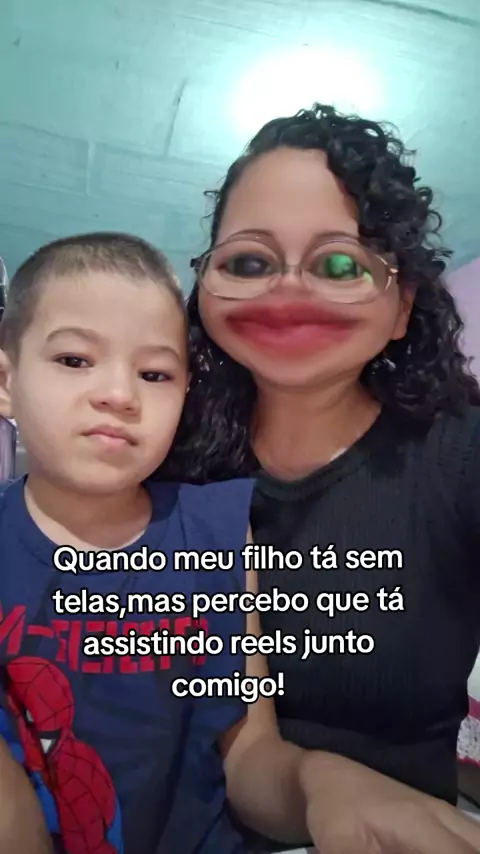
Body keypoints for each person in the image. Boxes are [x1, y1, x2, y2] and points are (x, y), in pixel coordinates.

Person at [163, 103, 480, 851]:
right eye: (249, 262)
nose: (288, 290)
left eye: (340, 264)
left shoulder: (460, 456)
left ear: (401, 308)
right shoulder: (170, 464)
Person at [0, 230, 353, 854]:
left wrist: (323, 788)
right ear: (6, 381)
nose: (119, 395)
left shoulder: (217, 532)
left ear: (185, 393)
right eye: (75, 360)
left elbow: (251, 758)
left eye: (154, 373)